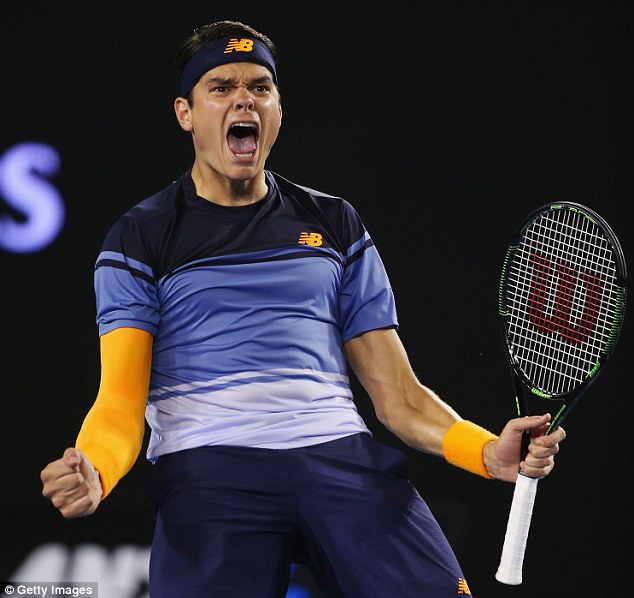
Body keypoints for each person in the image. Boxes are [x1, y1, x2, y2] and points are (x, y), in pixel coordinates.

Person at [40, 20, 565, 597]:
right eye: (221, 87)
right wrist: (97, 467)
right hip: (211, 471)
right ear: (185, 114)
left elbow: (399, 397)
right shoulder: (140, 237)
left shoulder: (334, 223)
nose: (244, 98)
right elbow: (119, 405)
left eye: (260, 87)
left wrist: (488, 453)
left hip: (340, 459)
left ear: (278, 111)